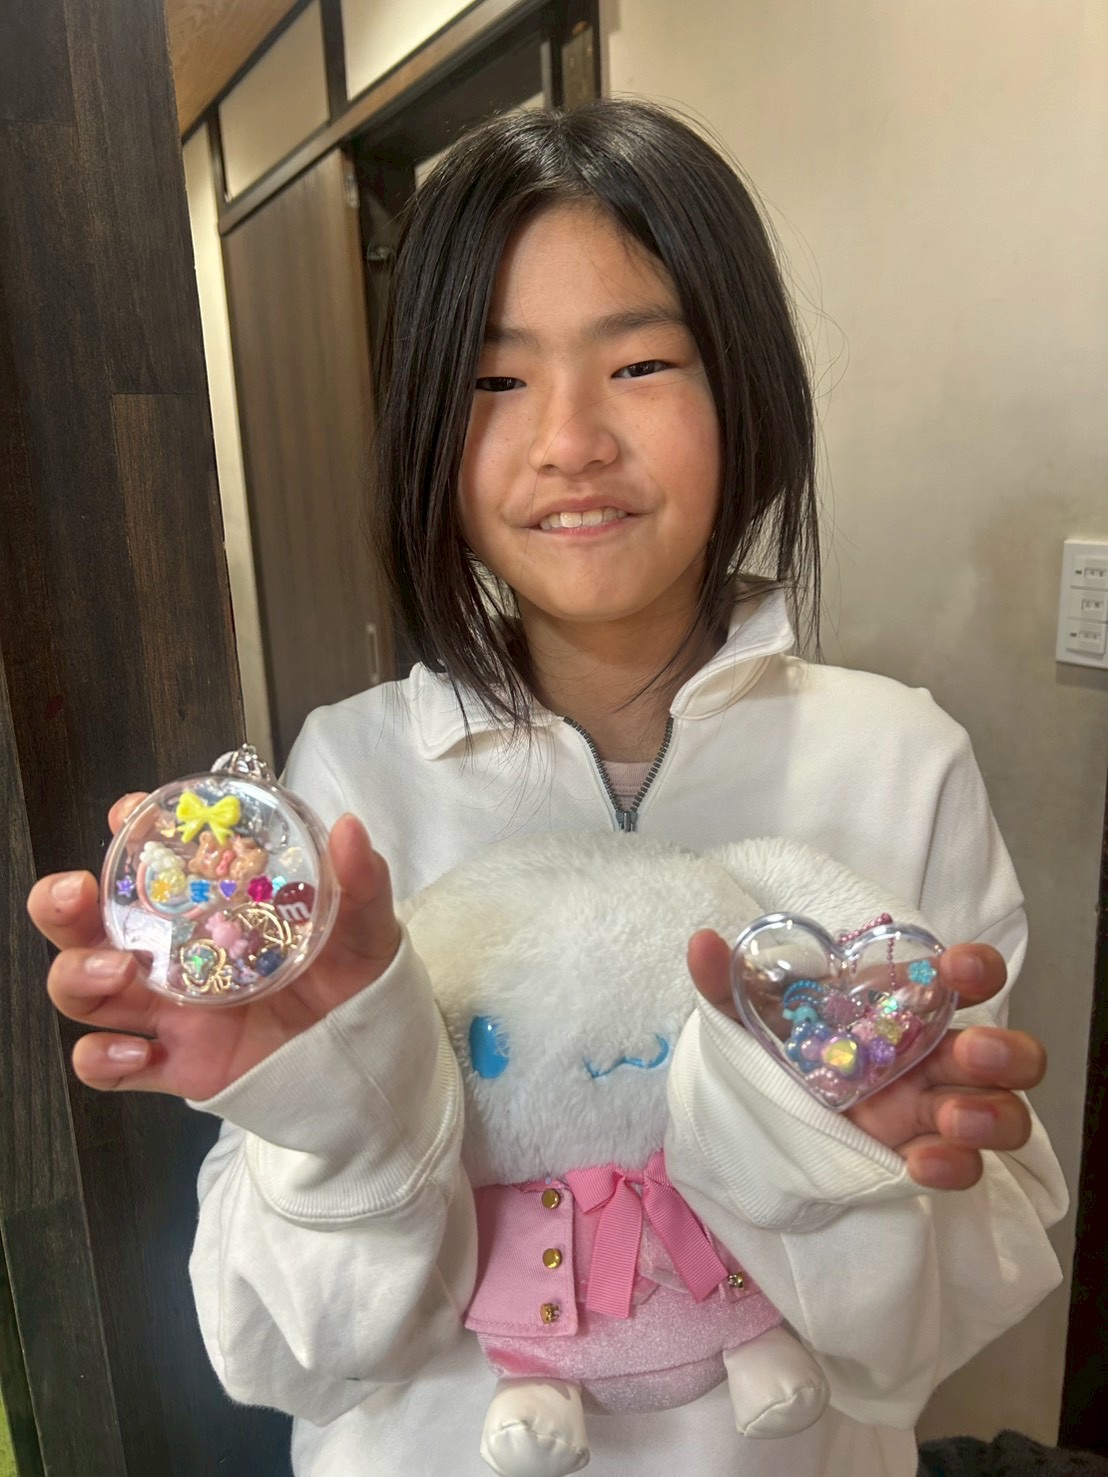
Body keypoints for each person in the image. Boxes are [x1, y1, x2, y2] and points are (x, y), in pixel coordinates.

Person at [29, 100, 1066, 1476]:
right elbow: (293, 1360)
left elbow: (927, 1335)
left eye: (640, 363)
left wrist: (821, 1156)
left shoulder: (896, 762)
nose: (569, 439)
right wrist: (339, 1126)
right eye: (494, 381)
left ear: (745, 387)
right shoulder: (349, 781)